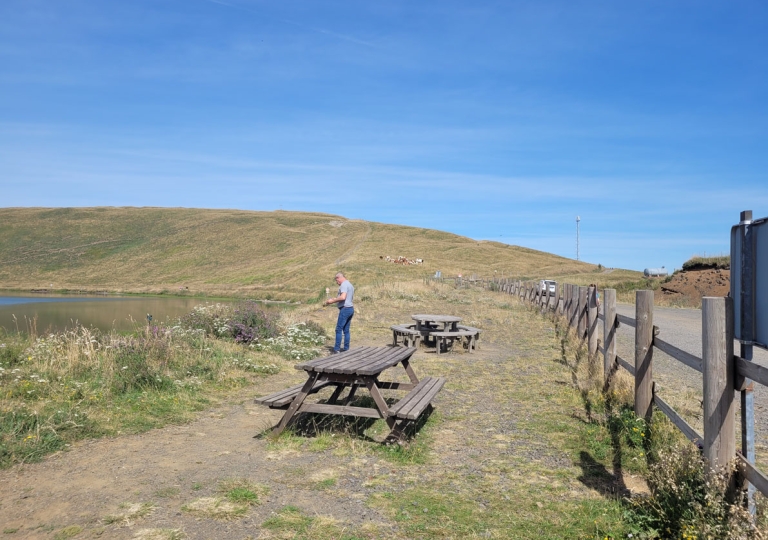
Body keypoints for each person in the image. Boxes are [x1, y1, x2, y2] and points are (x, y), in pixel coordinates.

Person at [324, 272, 354, 353]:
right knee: (346, 330)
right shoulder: (350, 284)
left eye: (336, 281)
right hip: (350, 308)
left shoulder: (343, 285)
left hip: (345, 309)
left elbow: (343, 297)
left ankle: (336, 349)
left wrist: (332, 301)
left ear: (338, 278)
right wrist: (336, 298)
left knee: (338, 329)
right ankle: (346, 348)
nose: (337, 283)